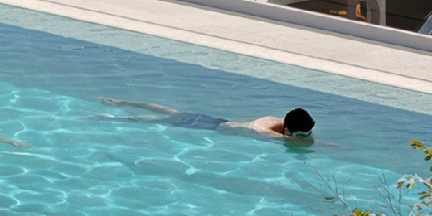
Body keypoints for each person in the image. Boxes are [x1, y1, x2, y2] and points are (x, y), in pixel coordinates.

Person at [102, 98, 315, 140]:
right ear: (287, 131)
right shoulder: (263, 129)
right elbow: (293, 142)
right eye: (302, 135)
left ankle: (123, 103)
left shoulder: (282, 119)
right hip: (207, 127)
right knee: (155, 121)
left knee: (173, 113)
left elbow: (296, 128)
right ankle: (108, 117)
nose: (305, 138)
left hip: (218, 121)